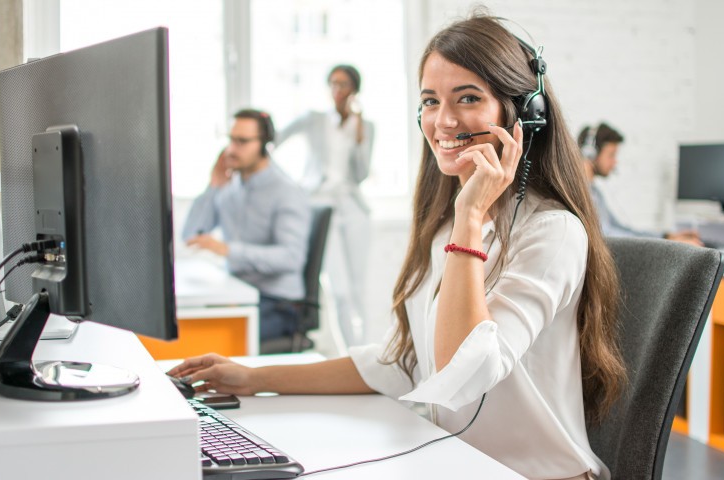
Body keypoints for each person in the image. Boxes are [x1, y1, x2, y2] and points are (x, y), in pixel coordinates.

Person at [171, 12, 626, 480]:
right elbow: (405, 364)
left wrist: (470, 220)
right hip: (457, 463)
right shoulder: (447, 224)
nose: (443, 121)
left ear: (524, 114)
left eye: (467, 98)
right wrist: (253, 378)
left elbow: (462, 376)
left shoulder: (552, 232)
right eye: (430, 101)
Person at [182, 109, 312, 345]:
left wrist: (229, 250)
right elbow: (191, 235)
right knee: (185, 326)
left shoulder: (286, 191)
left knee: (207, 339)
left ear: (264, 145)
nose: (232, 149)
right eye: (230, 139)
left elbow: (291, 257)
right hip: (238, 294)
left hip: (277, 303)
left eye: (242, 141)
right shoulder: (230, 187)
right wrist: (213, 186)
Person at [273, 64, 375, 347]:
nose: (336, 90)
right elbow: (274, 141)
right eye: (332, 83)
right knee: (338, 289)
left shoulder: (365, 127)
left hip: (352, 207)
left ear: (354, 89)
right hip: (319, 205)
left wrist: (359, 139)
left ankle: (364, 351)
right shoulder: (314, 120)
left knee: (358, 288)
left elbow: (362, 173)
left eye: (342, 84)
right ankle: (348, 354)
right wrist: (294, 186)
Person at [578, 122, 703, 246]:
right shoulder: (582, 194)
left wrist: (666, 237)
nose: (615, 162)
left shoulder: (595, 193)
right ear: (590, 153)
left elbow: (621, 229)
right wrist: (669, 244)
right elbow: (607, 236)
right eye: (611, 155)